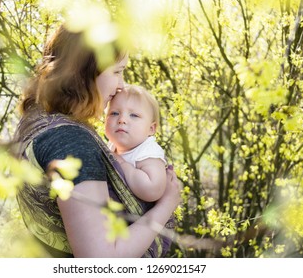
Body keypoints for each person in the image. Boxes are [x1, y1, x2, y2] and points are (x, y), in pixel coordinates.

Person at [13, 23, 181, 258]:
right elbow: (101, 261)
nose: (121, 85)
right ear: (85, 71)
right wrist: (167, 204)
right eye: (116, 71)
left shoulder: (38, 118)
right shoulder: (70, 141)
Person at [105, 84, 167, 203]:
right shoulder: (111, 146)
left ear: (151, 129)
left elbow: (152, 190)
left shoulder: (148, 152)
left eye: (134, 115)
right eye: (114, 113)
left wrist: (122, 164)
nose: (122, 119)